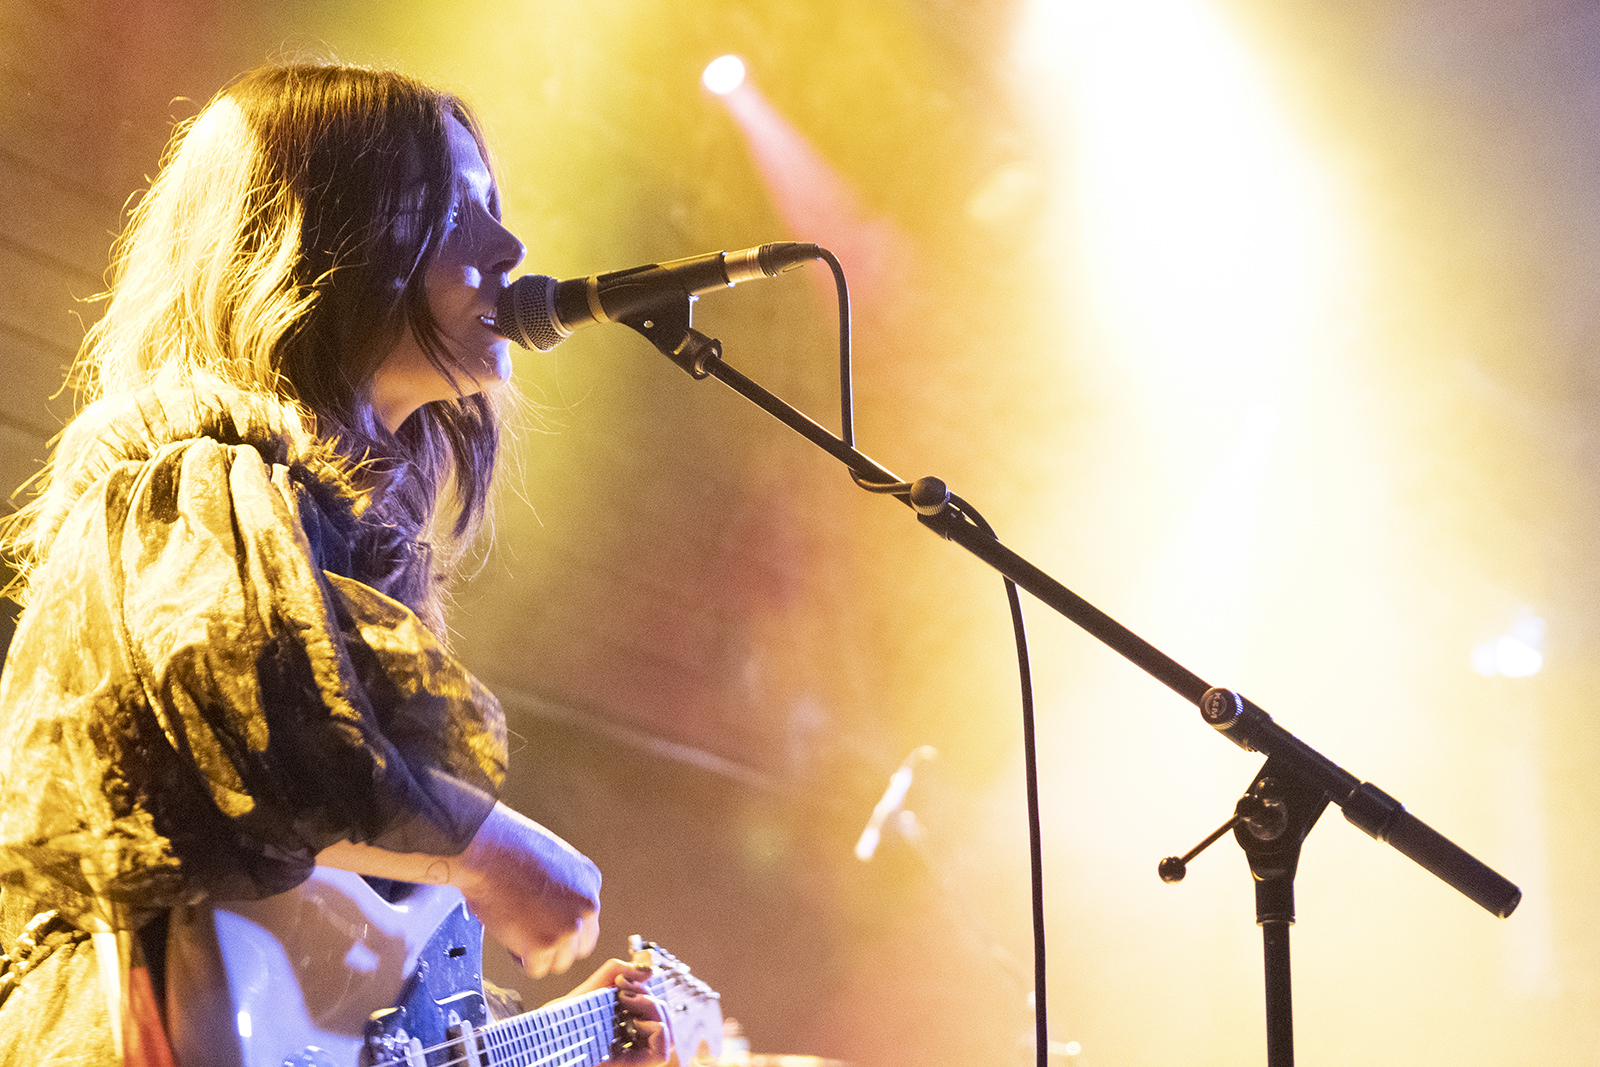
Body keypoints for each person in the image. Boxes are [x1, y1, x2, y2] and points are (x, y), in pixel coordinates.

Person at [0, 62, 669, 1065]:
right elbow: (246, 739)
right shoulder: (193, 477)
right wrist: (491, 847)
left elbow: (345, 1011)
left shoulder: (323, 538)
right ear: (333, 242)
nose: (511, 246)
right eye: (459, 208)